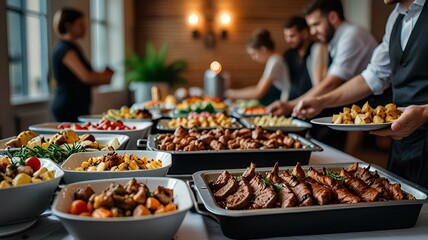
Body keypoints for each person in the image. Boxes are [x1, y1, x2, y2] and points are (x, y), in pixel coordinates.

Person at [293, 0, 428, 187]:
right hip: (402, 143)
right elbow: (373, 76)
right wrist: (321, 102)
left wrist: (425, 112)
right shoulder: (395, 18)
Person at [268, 0, 379, 150]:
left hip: (370, 109)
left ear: (332, 17)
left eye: (316, 24)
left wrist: (290, 105)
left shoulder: (351, 36)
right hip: (352, 105)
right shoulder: (337, 40)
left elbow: (331, 83)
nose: (312, 31)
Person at [51, 8, 113, 122]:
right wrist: (105, 76)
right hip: (69, 106)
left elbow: (85, 78)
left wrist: (104, 77)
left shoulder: (73, 48)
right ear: (69, 26)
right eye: (80, 24)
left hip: (77, 104)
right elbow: (86, 77)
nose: (85, 28)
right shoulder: (64, 49)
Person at [224, 29, 290, 105]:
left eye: (254, 54)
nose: (253, 58)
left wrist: (232, 93)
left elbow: (258, 92)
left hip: (287, 100)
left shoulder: (275, 61)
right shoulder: (273, 59)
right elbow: (258, 87)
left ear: (263, 49)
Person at [283, 16, 329, 101]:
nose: (288, 40)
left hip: (310, 102)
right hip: (291, 104)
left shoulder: (317, 50)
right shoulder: (288, 55)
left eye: (292, 36)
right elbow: (286, 86)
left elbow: (319, 83)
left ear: (304, 33)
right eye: (286, 36)